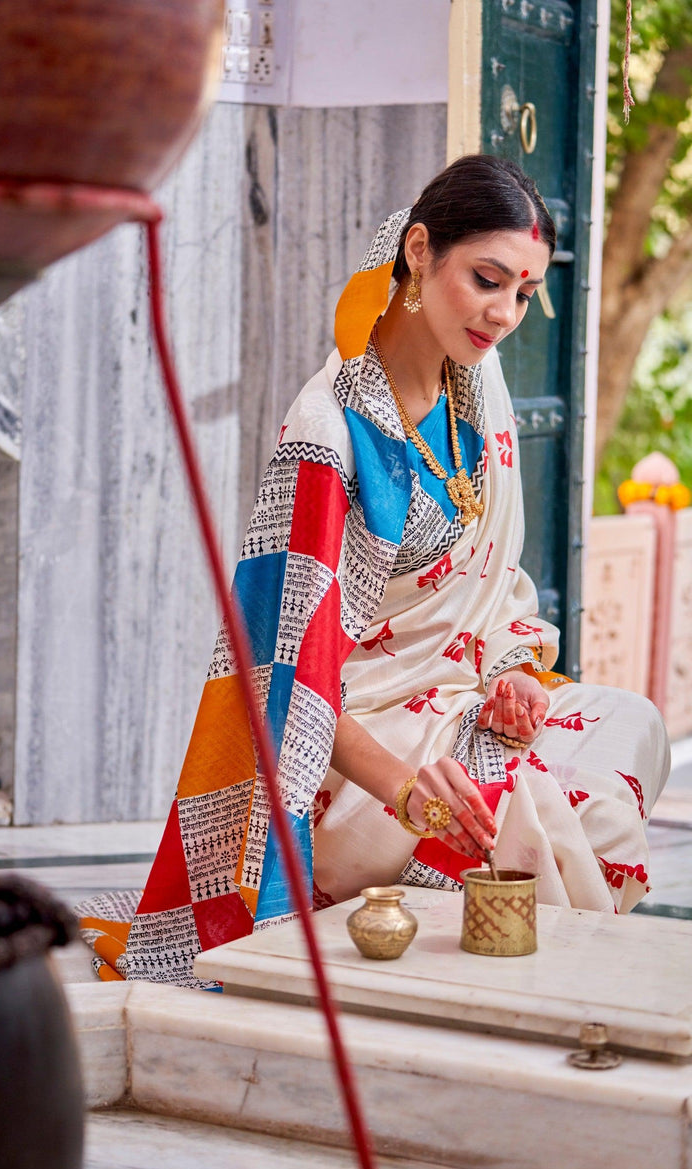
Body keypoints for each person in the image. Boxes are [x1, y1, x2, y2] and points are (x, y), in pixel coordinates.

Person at [78, 155, 670, 986]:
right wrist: (408, 791)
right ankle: (502, 957)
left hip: (460, 709)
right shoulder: (328, 435)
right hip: (353, 757)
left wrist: (510, 672)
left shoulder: (480, 381)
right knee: (569, 815)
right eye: (487, 279)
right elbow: (283, 682)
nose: (504, 315)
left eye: (525, 293)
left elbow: (495, 588)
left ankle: (493, 925)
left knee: (633, 725)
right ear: (421, 251)